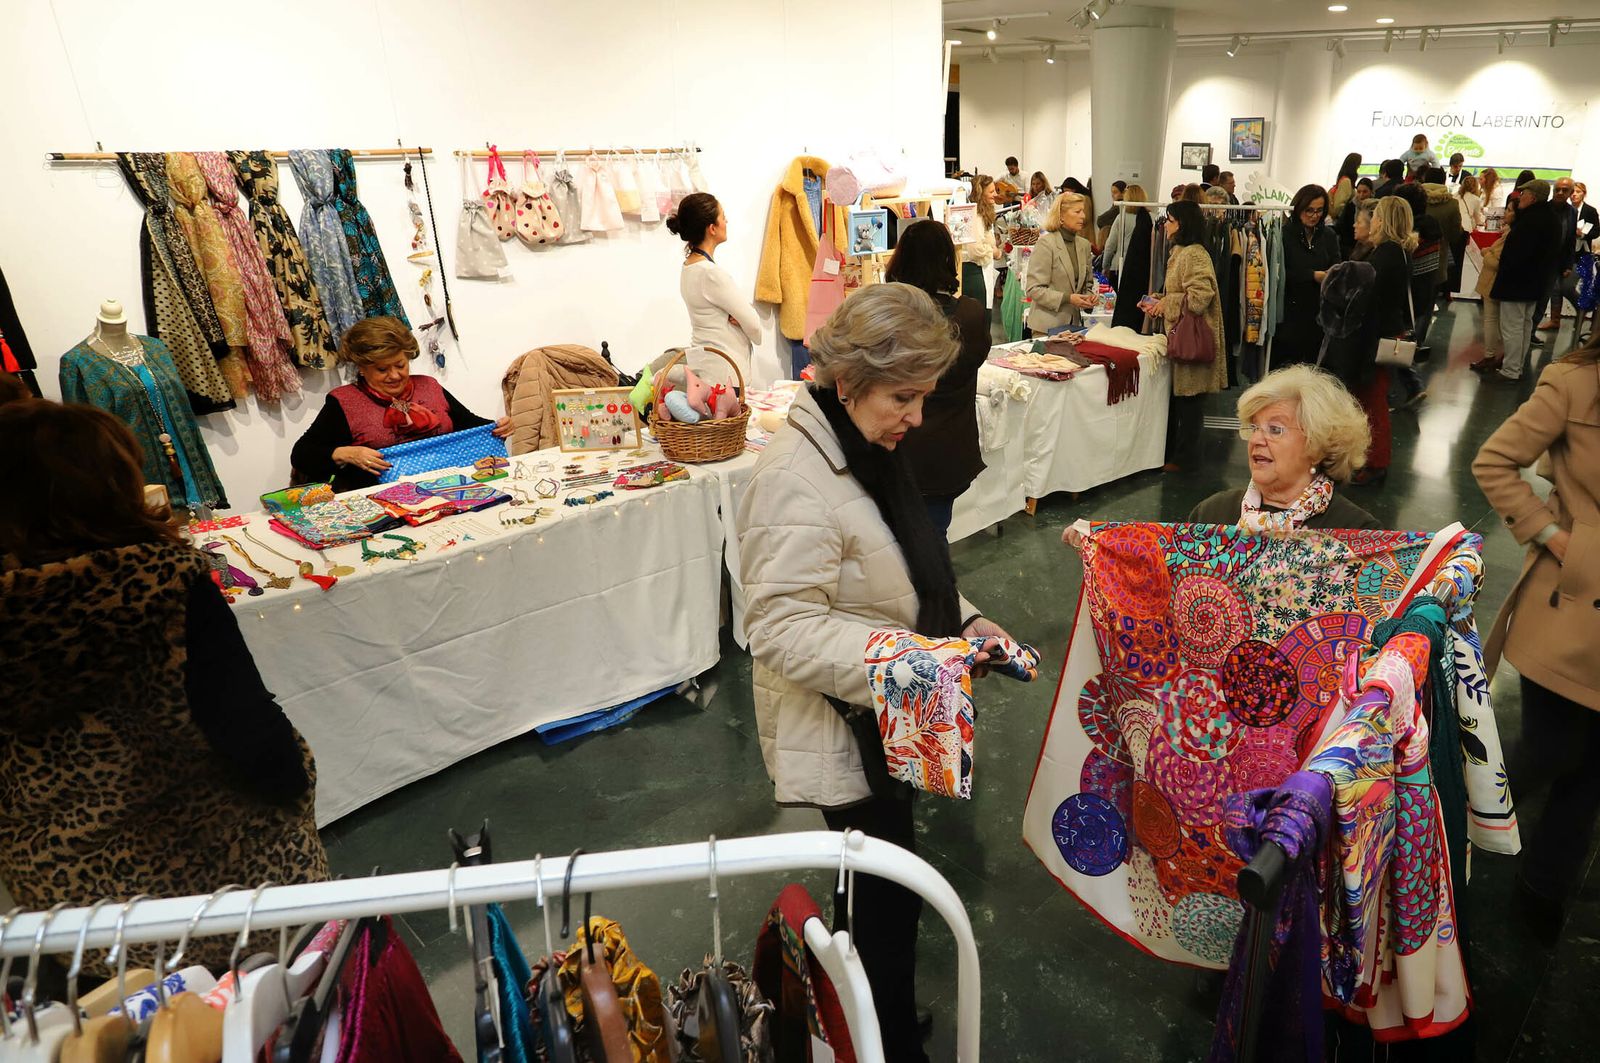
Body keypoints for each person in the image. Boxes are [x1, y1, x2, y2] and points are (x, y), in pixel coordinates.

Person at [736, 282, 1014, 1063]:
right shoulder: (795, 476)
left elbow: (894, 564)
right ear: (850, 378)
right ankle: (880, 1036)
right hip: (843, 726)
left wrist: (963, 620)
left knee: (881, 889)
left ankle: (871, 1018)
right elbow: (780, 629)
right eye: (905, 396)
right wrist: (918, 664)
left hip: (878, 714)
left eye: (924, 397)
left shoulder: (859, 446)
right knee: (886, 891)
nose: (917, 418)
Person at [0, 400, 328, 971]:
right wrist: (295, 788)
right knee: (283, 1009)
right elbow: (246, 728)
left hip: (66, 891)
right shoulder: (161, 583)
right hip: (214, 863)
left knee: (147, 1025)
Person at [1472, 334, 1600, 942]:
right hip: (1573, 604)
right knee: (1550, 748)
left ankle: (1544, 885)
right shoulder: (1574, 383)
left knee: (1594, 765)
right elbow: (1494, 460)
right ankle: (1448, 831)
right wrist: (1555, 538)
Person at [292, 316, 512, 492]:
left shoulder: (429, 386)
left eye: (400, 365)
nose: (395, 375)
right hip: (383, 502)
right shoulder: (345, 402)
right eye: (382, 369)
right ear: (361, 368)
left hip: (451, 490)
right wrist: (346, 453)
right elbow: (302, 454)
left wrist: (498, 426)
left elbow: (468, 424)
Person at [887, 220, 991, 536]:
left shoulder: (896, 317)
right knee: (932, 537)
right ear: (947, 258)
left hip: (901, 454)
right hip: (949, 454)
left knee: (902, 545)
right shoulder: (971, 314)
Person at [1187, 364, 1380, 529]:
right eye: (1254, 427)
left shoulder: (1356, 531)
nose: (1256, 440)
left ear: (1318, 445)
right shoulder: (1211, 515)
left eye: (1275, 430)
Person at [1146, 200, 1226, 472]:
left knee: (1189, 404)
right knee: (1184, 403)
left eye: (1169, 220)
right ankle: (1179, 455)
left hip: (1192, 339)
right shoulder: (1181, 252)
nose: (1165, 225)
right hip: (1182, 336)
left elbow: (1200, 298)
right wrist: (1158, 300)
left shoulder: (1193, 254)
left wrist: (1167, 304)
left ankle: (1185, 459)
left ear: (1182, 223)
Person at [1347, 195, 1416, 485]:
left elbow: (1367, 299)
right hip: (1389, 333)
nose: (1371, 220)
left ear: (1383, 220)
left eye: (1375, 216)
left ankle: (1376, 463)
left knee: (1372, 401)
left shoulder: (1384, 256)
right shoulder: (1398, 252)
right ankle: (1372, 460)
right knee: (1373, 398)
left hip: (1377, 336)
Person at [668, 192, 763, 381]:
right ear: (712, 228)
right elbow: (754, 325)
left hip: (709, 368)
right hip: (726, 372)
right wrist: (745, 316)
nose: (726, 221)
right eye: (722, 216)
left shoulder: (688, 268)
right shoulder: (710, 274)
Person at [1485, 180, 1562, 382]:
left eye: (1524, 193)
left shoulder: (1530, 222)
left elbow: (1518, 255)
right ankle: (1515, 365)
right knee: (1524, 326)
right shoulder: (1549, 218)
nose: (1520, 197)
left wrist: (1504, 267)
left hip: (1517, 284)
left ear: (1533, 197)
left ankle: (1510, 369)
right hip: (1534, 283)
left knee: (1512, 328)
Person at [1276, 184, 1342, 366]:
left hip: (1320, 312)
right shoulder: (1284, 235)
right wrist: (1312, 275)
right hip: (1291, 312)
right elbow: (1281, 272)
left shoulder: (1328, 235)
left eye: (1319, 211)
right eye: (1309, 210)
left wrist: (1332, 273)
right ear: (1298, 208)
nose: (1314, 215)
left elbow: (1337, 263)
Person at [1025, 192, 1096, 336]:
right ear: (1061, 216)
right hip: (1046, 328)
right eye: (1077, 211)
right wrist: (1067, 298)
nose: (1083, 216)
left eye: (1083, 211)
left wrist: (1088, 298)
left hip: (1074, 328)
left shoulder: (1084, 245)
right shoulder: (1046, 244)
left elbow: (1087, 285)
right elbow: (1034, 289)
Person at [1471, 198, 1518, 373]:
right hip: (1494, 282)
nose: (1505, 213)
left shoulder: (1511, 235)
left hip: (1494, 282)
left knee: (1492, 321)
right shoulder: (1508, 233)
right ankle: (1493, 355)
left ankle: (1491, 356)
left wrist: (1486, 253)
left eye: (1510, 210)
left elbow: (1498, 261)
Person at [1109, 186, 1155, 331]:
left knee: (1122, 302)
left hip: (1120, 265)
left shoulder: (1121, 217)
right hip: (1143, 268)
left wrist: (1105, 264)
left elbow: (1111, 243)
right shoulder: (1152, 218)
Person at [1536, 177, 1578, 332]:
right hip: (1539, 262)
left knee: (1553, 293)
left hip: (1558, 261)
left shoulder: (1572, 212)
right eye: (1557, 189)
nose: (1560, 193)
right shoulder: (1543, 209)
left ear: (1571, 193)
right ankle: (1530, 331)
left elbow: (1571, 239)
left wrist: (1568, 263)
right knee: (1537, 299)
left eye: (1564, 190)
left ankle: (1548, 323)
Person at [962, 174, 1003, 319]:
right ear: (981, 193)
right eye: (991, 192)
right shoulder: (976, 216)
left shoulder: (982, 214)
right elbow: (975, 250)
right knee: (980, 320)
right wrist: (994, 252)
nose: (995, 195)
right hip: (974, 274)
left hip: (979, 272)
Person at [1330, 152, 1362, 222]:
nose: (1359, 167)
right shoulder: (1346, 181)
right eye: (1358, 164)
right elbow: (1339, 205)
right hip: (1342, 220)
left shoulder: (1344, 180)